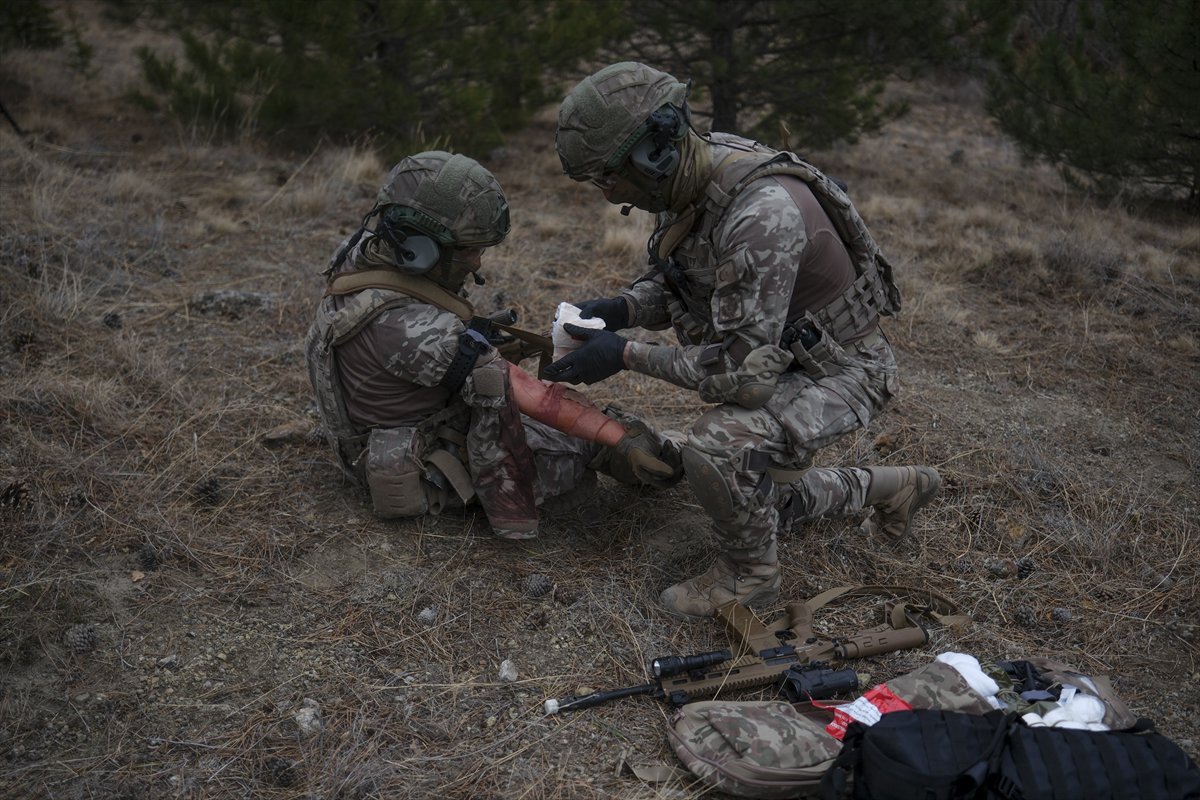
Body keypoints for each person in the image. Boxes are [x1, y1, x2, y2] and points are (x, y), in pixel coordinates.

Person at [546, 62, 942, 619]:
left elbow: (740, 377)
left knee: (718, 448)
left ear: (652, 152)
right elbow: (686, 279)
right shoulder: (692, 177)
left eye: (608, 177)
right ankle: (894, 487)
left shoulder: (760, 215)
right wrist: (624, 308)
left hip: (841, 370)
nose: (609, 194)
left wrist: (626, 354)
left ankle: (749, 577)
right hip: (783, 355)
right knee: (763, 494)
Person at [306, 151, 678, 540]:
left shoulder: (363, 254)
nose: (477, 262)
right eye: (469, 249)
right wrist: (618, 437)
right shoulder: (414, 330)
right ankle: (661, 459)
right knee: (583, 442)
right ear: (420, 248)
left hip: (376, 437)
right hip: (424, 462)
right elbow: (527, 393)